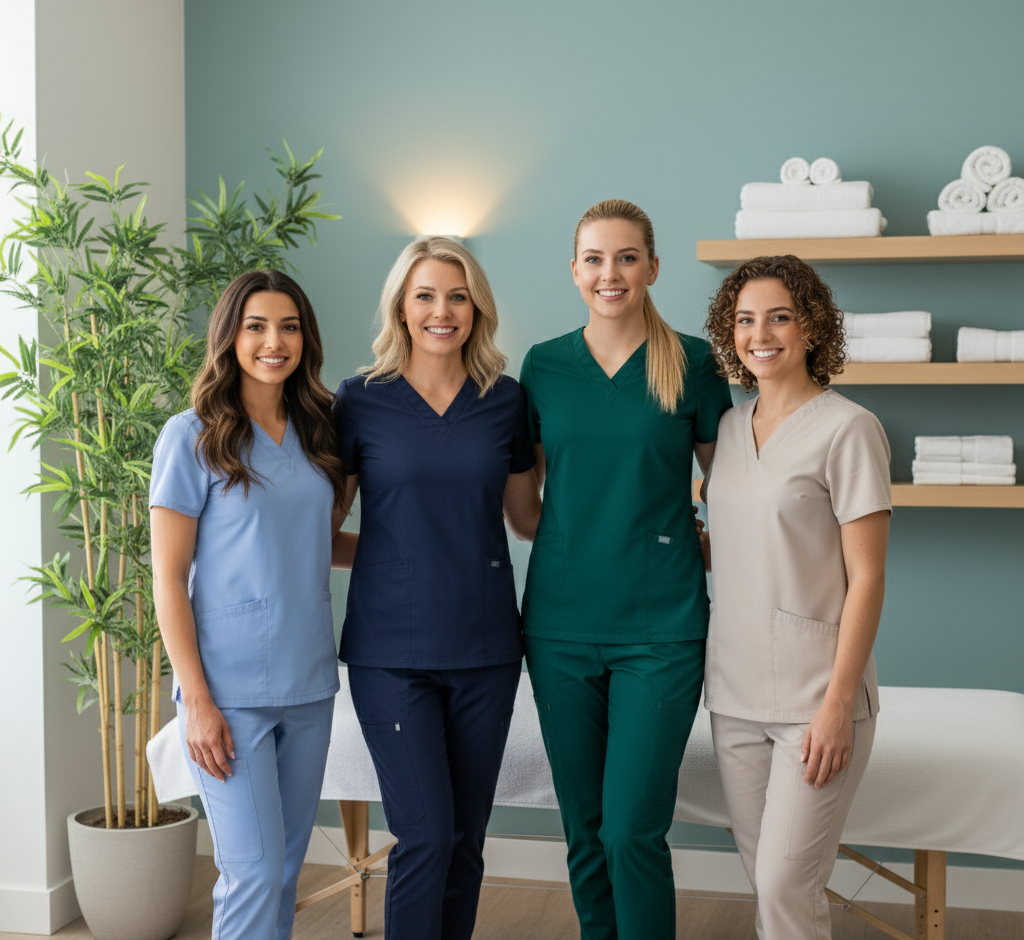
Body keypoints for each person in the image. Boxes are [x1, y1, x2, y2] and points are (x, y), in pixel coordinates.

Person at [518, 199, 732, 940]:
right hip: (559, 625)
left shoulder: (697, 364)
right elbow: (525, 508)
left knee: (630, 831)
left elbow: (732, 495)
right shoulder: (543, 365)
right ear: (575, 270)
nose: (610, 274)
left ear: (652, 267)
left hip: (661, 628)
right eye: (595, 259)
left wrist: (682, 540)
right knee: (583, 828)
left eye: (627, 258)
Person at [332, 236, 541, 940]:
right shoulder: (360, 400)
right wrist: (399, 556)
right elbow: (320, 530)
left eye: (457, 296)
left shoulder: (507, 401)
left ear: (477, 307)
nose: (441, 310)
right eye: (425, 295)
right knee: (424, 834)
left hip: (486, 649)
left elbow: (526, 518)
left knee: (465, 840)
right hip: (390, 652)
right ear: (401, 305)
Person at [150, 269, 348, 940]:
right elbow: (168, 579)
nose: (274, 341)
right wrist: (196, 701)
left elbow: (315, 545)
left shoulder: (319, 431)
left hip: (310, 682)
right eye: (257, 326)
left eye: (289, 326)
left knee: (284, 871)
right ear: (230, 335)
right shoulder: (191, 436)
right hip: (228, 694)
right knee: (254, 873)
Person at [703, 255, 891, 940]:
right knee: (771, 885)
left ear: (811, 326)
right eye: (746, 319)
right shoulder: (729, 429)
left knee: (786, 885)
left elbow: (868, 576)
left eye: (780, 316)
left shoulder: (850, 428)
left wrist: (839, 703)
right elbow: (734, 541)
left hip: (816, 697)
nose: (762, 333)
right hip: (734, 694)